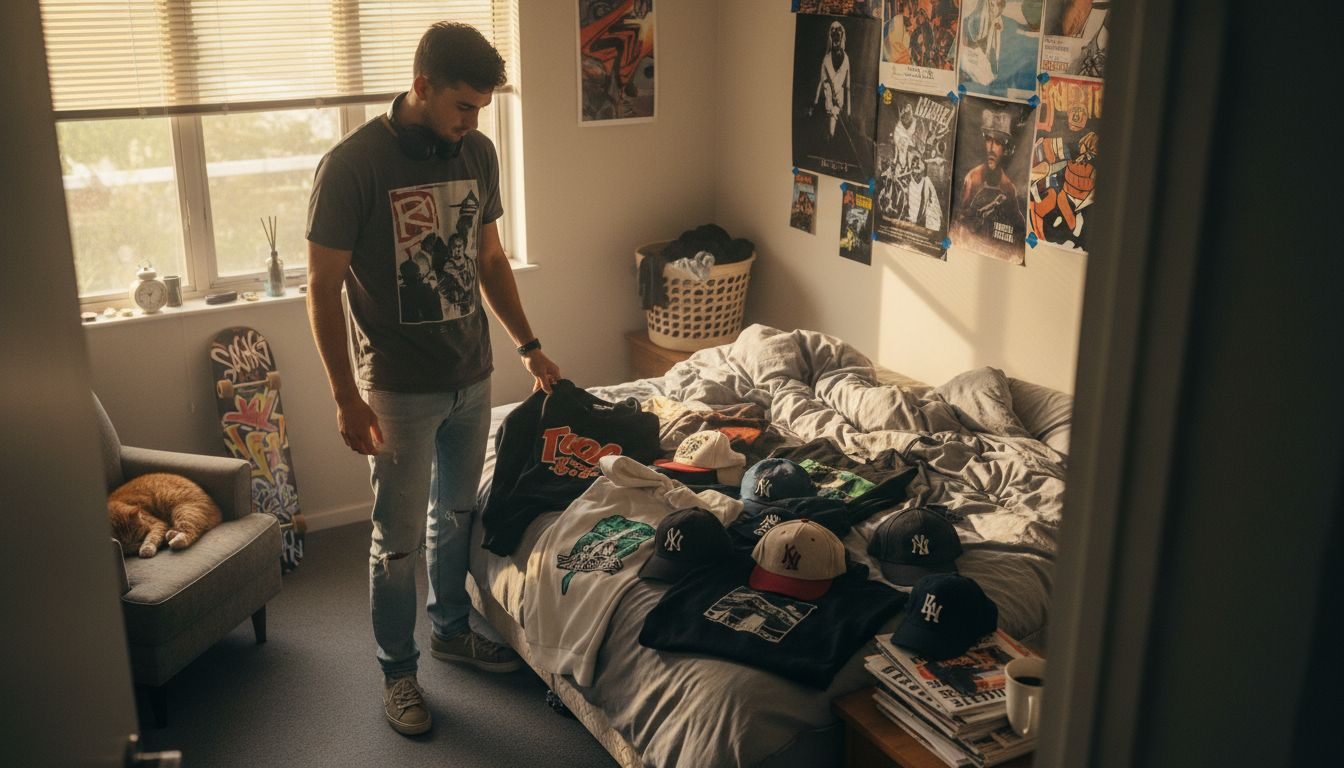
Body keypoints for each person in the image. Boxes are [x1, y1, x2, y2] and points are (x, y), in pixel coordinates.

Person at [305, 21, 561, 737]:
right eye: (463, 105)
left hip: (471, 373)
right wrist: (344, 395)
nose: (472, 122)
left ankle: (451, 629)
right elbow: (321, 288)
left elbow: (489, 261)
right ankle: (399, 671)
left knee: (456, 519)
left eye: (481, 108)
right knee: (395, 544)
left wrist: (529, 345)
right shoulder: (353, 165)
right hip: (395, 388)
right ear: (422, 86)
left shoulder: (476, 152)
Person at [956, 107, 1026, 242]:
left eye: (998, 142)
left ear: (1006, 149)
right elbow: (959, 222)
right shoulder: (972, 179)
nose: (992, 149)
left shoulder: (1009, 189)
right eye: (988, 139)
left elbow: (1018, 228)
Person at [811, 19, 851, 140]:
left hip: (839, 104)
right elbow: (821, 82)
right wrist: (815, 102)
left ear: (842, 35)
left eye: (838, 30)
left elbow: (848, 86)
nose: (836, 33)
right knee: (827, 136)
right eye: (833, 30)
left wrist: (849, 112)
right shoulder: (826, 60)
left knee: (836, 136)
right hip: (827, 103)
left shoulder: (846, 59)